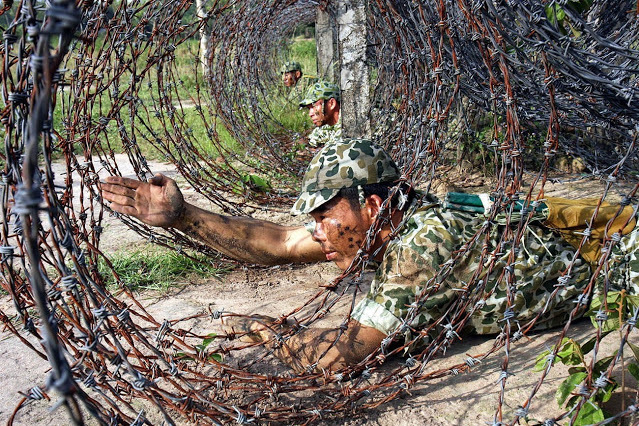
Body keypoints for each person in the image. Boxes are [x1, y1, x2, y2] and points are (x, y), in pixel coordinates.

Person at [100, 139, 638, 373]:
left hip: (620, 268)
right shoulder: (375, 222)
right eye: (317, 222)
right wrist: (183, 216)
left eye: (325, 219)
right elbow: (281, 243)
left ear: (373, 206)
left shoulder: (422, 243)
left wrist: (266, 333)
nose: (319, 234)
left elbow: (340, 356)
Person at [299, 80, 342, 148]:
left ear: (332, 104)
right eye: (308, 108)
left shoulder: (347, 127)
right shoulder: (326, 127)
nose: (310, 114)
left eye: (314, 106)